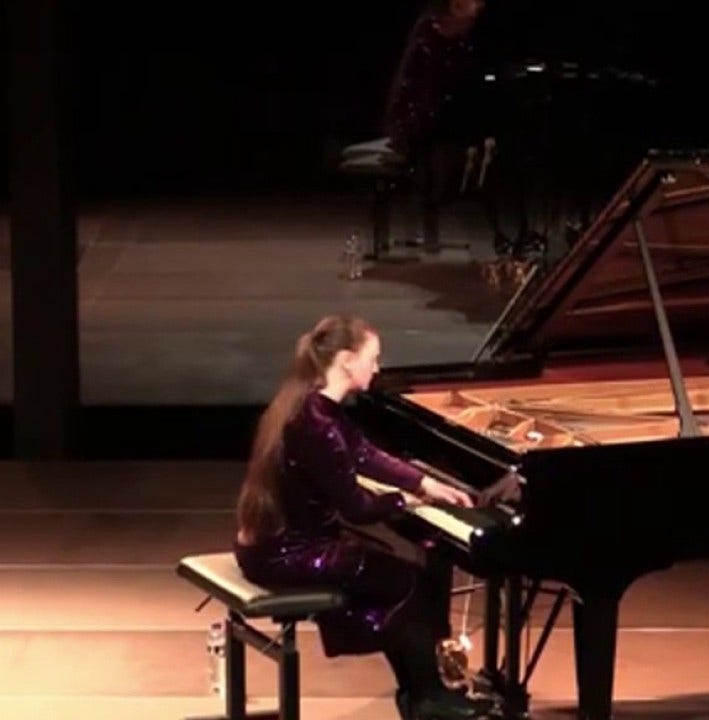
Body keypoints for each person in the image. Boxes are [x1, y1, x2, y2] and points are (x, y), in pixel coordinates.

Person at [233, 314, 489, 720]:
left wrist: (424, 483)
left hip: (277, 544)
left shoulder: (312, 406)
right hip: (287, 555)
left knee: (397, 572)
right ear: (348, 360)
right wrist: (407, 502)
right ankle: (427, 696)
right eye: (374, 358)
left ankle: (422, 693)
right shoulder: (316, 425)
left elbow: (366, 455)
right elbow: (356, 508)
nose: (378, 367)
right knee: (406, 579)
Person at [384, 0, 488, 252]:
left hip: (441, 115)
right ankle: (423, 229)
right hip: (417, 116)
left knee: (445, 168)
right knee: (427, 170)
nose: (473, 20)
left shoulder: (461, 40)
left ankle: (430, 225)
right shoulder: (428, 34)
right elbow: (411, 81)